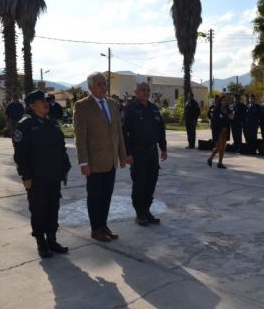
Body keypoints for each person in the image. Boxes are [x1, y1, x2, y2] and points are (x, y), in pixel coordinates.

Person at [13, 90, 71, 258]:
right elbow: (20, 155)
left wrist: (64, 169)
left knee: (53, 209)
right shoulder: (25, 125)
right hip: (36, 178)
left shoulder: (52, 123)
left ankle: (52, 240)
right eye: (40, 101)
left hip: (53, 175)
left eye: (45, 100)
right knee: (38, 211)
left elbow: (61, 149)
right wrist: (26, 177)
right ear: (31, 105)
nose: (45, 103)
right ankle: (41, 243)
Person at [73, 72, 127, 242]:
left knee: (107, 195)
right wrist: (83, 162)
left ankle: (103, 225)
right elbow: (80, 136)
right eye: (99, 84)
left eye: (104, 84)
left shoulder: (112, 103)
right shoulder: (82, 106)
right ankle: (95, 229)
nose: (104, 87)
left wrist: (122, 155)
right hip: (94, 162)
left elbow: (118, 131)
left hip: (111, 161)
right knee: (95, 196)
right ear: (90, 88)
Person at [122, 82, 168, 226]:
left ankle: (147, 210)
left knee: (151, 182)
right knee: (140, 183)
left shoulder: (153, 108)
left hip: (152, 152)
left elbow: (161, 129)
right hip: (138, 152)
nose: (145, 92)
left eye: (148, 90)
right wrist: (127, 153)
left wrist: (163, 147)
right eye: (142, 90)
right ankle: (139, 213)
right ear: (135, 92)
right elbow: (123, 132)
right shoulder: (130, 109)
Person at [207, 96, 234, 169]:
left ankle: (220, 163)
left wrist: (231, 115)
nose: (225, 102)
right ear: (220, 101)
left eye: (226, 101)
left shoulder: (228, 110)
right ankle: (210, 158)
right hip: (218, 131)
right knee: (219, 147)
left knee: (223, 148)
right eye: (223, 100)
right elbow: (214, 121)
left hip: (225, 131)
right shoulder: (216, 110)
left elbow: (232, 117)